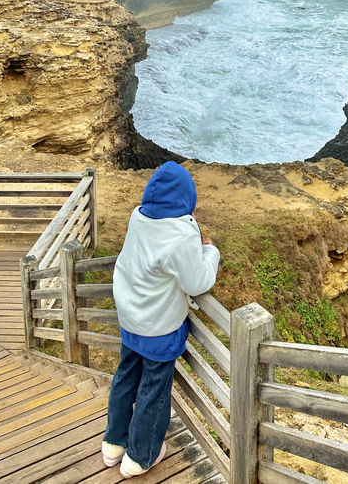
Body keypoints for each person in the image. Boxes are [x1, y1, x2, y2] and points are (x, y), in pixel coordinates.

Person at [102, 160, 220, 477]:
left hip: (130, 316)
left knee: (125, 377)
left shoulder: (138, 217)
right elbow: (197, 282)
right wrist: (211, 253)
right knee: (154, 391)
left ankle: (113, 444)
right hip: (158, 327)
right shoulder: (180, 235)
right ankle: (141, 457)